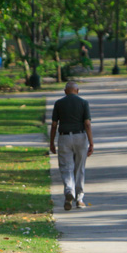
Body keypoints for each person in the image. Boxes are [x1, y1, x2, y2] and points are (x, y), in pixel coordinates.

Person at [50, 81, 94, 211]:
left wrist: (51, 142)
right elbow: (87, 124)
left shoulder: (59, 103)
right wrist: (91, 142)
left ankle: (69, 191)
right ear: (77, 91)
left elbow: (53, 125)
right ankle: (79, 199)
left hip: (64, 137)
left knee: (66, 167)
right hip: (80, 137)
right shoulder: (83, 103)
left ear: (65, 91)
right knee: (79, 168)